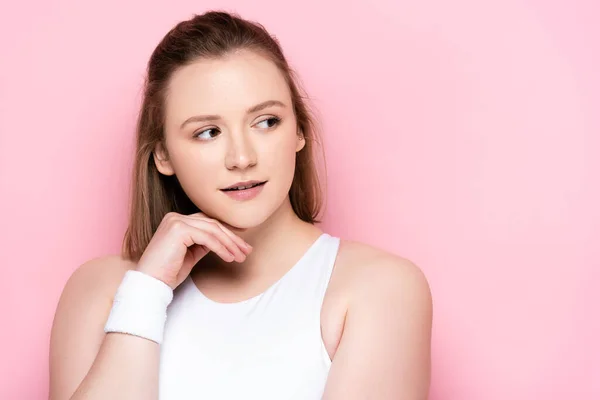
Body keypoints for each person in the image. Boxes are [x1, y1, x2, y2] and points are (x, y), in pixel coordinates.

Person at [49, 10, 432, 400]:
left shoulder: (379, 288)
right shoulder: (101, 290)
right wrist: (147, 292)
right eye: (208, 132)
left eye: (266, 122)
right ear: (162, 154)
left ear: (299, 129)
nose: (242, 157)